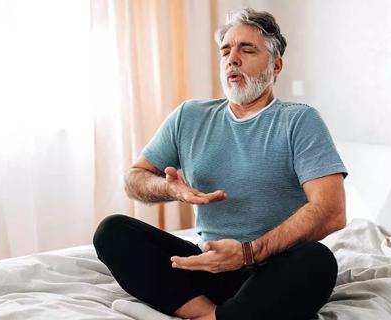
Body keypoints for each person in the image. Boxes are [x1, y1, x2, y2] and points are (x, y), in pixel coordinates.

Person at [93, 8, 347, 320]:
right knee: (113, 232)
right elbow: (135, 178)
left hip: (270, 271)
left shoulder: (299, 120)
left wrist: (247, 254)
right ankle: (206, 314)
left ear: (276, 65)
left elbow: (332, 211)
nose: (232, 59)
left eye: (247, 49)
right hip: (207, 266)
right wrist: (168, 188)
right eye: (226, 50)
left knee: (317, 260)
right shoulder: (190, 116)